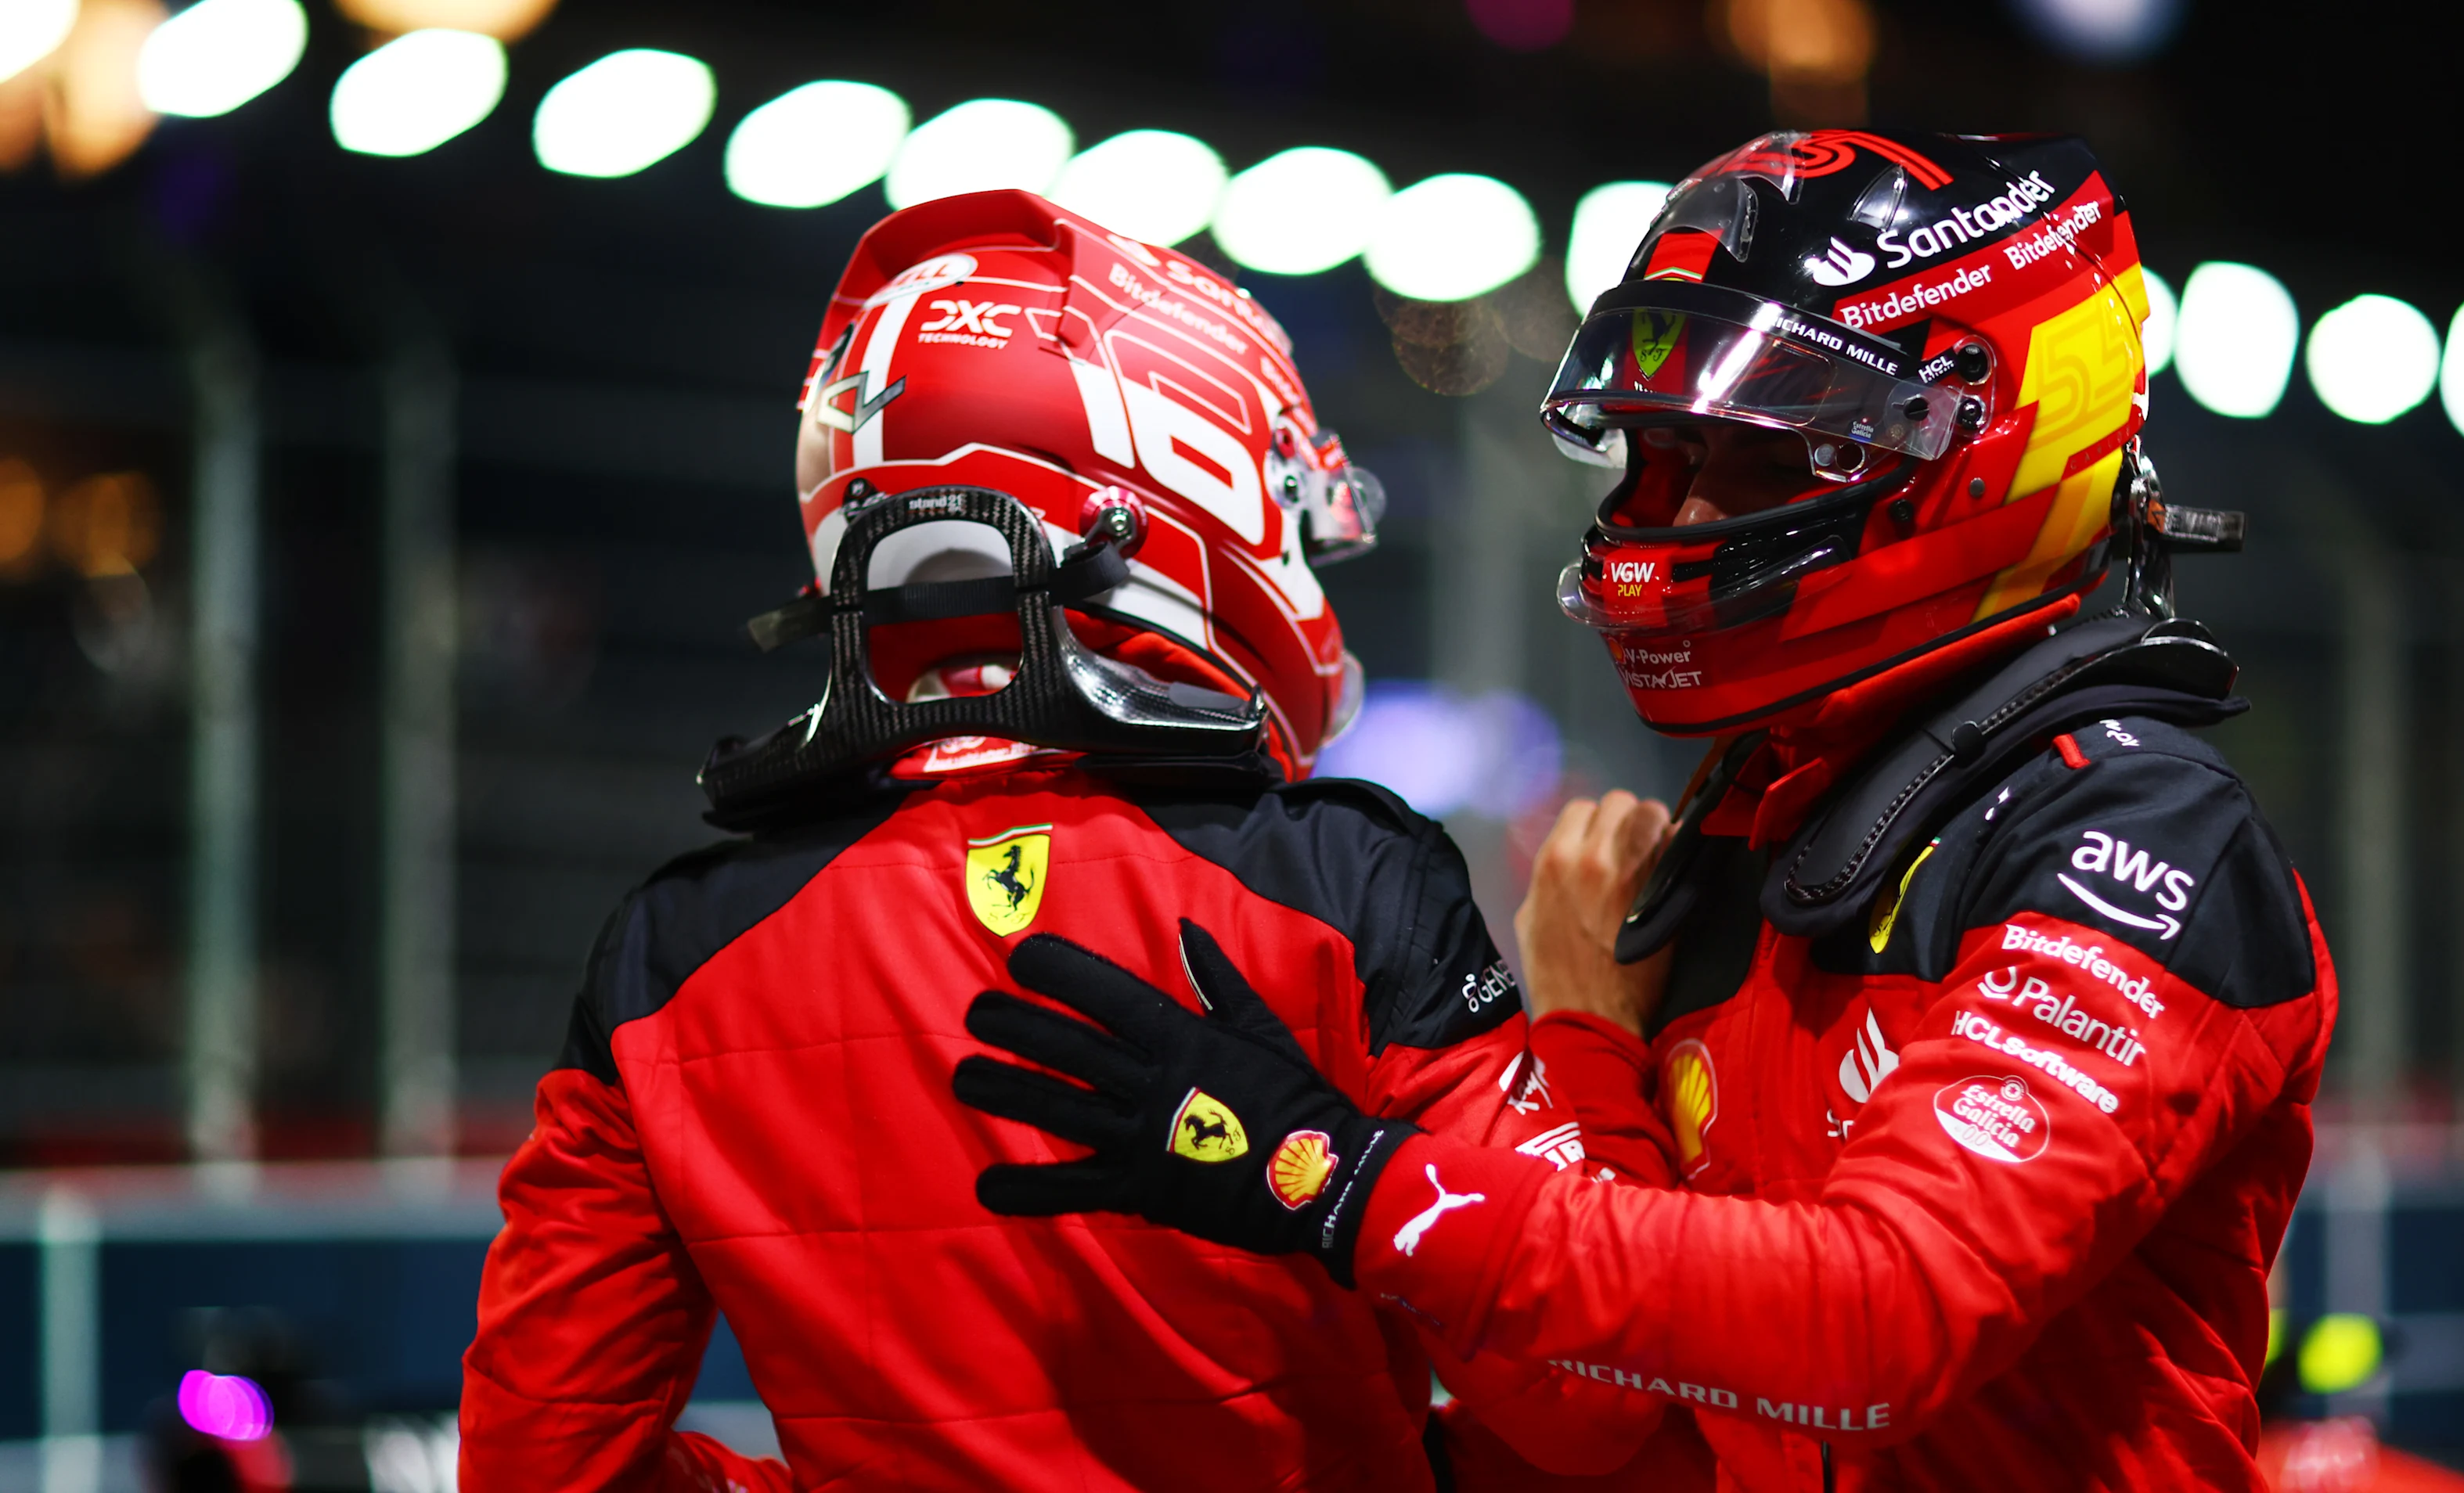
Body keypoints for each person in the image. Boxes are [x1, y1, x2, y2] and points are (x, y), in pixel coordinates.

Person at [953, 131, 2338, 1491]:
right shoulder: (1765, 811)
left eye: (1740, 455)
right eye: (1653, 458)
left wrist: (1336, 1177)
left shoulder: (2145, 831)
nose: (1659, 516)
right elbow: (1664, 1400)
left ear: (1978, 435)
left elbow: (1877, 1323)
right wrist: (1585, 1053)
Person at [456, 189, 1696, 1491]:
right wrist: (1594, 1044)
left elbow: (539, 1465)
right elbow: (1600, 1399)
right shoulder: (1341, 880)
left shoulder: (670, 949)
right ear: (1178, 487)